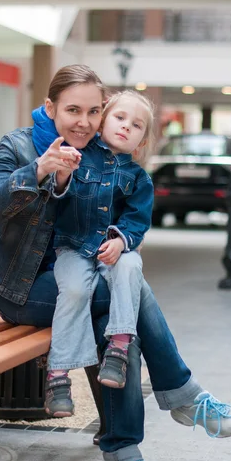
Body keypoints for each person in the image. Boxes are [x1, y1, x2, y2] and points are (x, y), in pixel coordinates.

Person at [0, 64, 231, 461]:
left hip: (80, 280)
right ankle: (181, 401)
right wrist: (40, 169)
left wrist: (120, 243)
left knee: (119, 326)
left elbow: (121, 218)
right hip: (20, 289)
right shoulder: (21, 146)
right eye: (72, 110)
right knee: (128, 300)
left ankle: (123, 459)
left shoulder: (106, 160)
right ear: (50, 108)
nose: (84, 122)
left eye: (93, 111)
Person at [42, 89, 155, 408]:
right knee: (75, 290)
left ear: (142, 141)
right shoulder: (76, 155)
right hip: (73, 249)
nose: (126, 127)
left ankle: (119, 347)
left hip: (113, 251)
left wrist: (121, 242)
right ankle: (59, 377)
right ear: (103, 120)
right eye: (120, 118)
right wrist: (63, 176)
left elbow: (137, 221)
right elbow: (56, 201)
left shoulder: (139, 179)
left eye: (136, 125)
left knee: (132, 267)